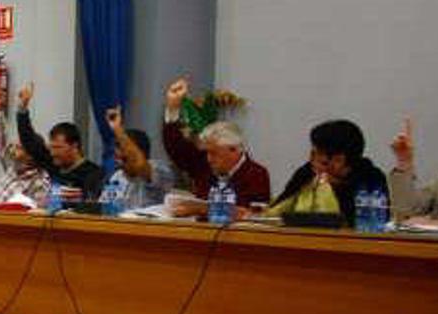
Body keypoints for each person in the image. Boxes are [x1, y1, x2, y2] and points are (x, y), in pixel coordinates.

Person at [163, 77, 270, 217]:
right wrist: (173, 108)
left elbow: (249, 215)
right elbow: (176, 149)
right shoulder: (204, 166)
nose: (209, 158)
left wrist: (200, 209)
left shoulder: (256, 174)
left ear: (233, 150)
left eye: (214, 153)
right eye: (207, 153)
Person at [268, 120, 389, 226]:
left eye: (319, 154)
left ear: (340, 159)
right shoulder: (307, 172)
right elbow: (281, 205)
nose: (313, 160)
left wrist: (333, 186)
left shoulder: (370, 177)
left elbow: (366, 222)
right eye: (313, 153)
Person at [16, 82, 104, 201]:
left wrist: (82, 200)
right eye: (51, 147)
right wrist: (22, 108)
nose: (52, 153)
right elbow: (28, 140)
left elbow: (96, 206)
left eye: (58, 147)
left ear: (74, 146)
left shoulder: (93, 174)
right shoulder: (52, 163)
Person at [104, 106, 175, 209]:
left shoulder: (160, 169)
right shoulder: (117, 176)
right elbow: (105, 208)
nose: (118, 162)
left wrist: (117, 129)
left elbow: (139, 164)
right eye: (117, 157)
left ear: (139, 152)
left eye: (124, 158)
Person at [0, 91, 50, 205]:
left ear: (31, 155)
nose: (14, 147)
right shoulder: (12, 166)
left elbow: (36, 215)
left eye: (20, 147)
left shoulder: (39, 182)